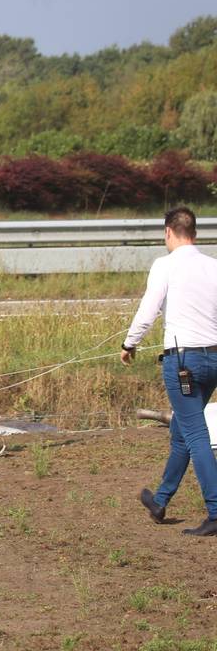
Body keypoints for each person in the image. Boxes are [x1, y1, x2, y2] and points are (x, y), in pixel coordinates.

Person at [121, 206, 217, 536]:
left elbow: (148, 311)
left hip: (183, 363)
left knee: (195, 433)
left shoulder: (164, 265)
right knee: (181, 430)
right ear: (195, 233)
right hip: (213, 359)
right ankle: (160, 500)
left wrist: (129, 343)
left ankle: (216, 511)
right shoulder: (213, 266)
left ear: (168, 232)